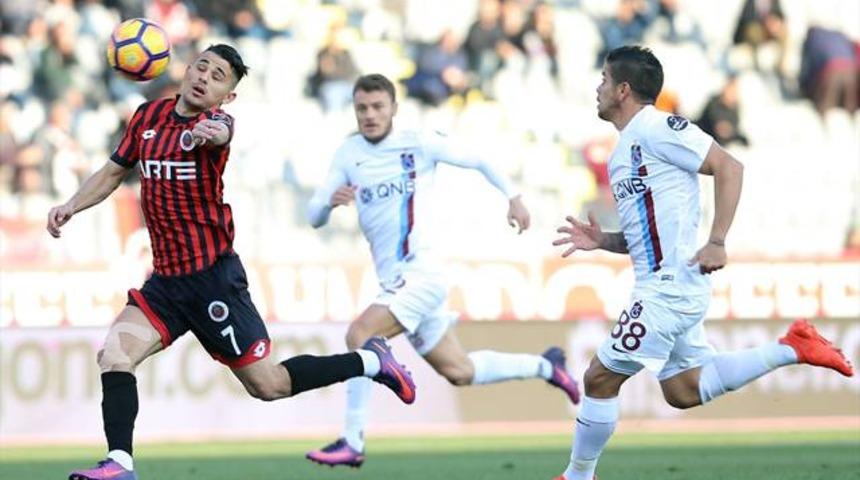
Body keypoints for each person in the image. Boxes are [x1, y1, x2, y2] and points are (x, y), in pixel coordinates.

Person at [48, 45, 416, 480]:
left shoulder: (219, 123)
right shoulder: (146, 118)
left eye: (219, 76)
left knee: (269, 385)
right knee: (115, 354)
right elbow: (113, 173)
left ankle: (372, 363)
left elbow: (220, 132)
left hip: (213, 281)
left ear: (228, 95)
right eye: (202, 66)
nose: (205, 76)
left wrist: (209, 132)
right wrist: (72, 204)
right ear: (187, 70)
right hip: (165, 283)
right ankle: (120, 463)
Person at [550, 46, 854, 480]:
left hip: (670, 288)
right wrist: (604, 240)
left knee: (599, 379)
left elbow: (729, 166)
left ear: (623, 89)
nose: (596, 88)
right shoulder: (623, 152)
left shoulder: (658, 128)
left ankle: (577, 476)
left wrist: (717, 240)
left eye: (603, 79)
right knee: (682, 389)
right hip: (665, 283)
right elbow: (647, 236)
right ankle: (792, 347)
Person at [305, 73, 581, 468]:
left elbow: (478, 158)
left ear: (394, 109)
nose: (370, 114)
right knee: (460, 370)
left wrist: (513, 198)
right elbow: (313, 215)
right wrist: (330, 203)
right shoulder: (348, 154)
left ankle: (353, 440)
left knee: (361, 334)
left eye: (378, 106)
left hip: (422, 274)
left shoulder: (418, 143)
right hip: (397, 281)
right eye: (362, 107)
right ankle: (548, 365)